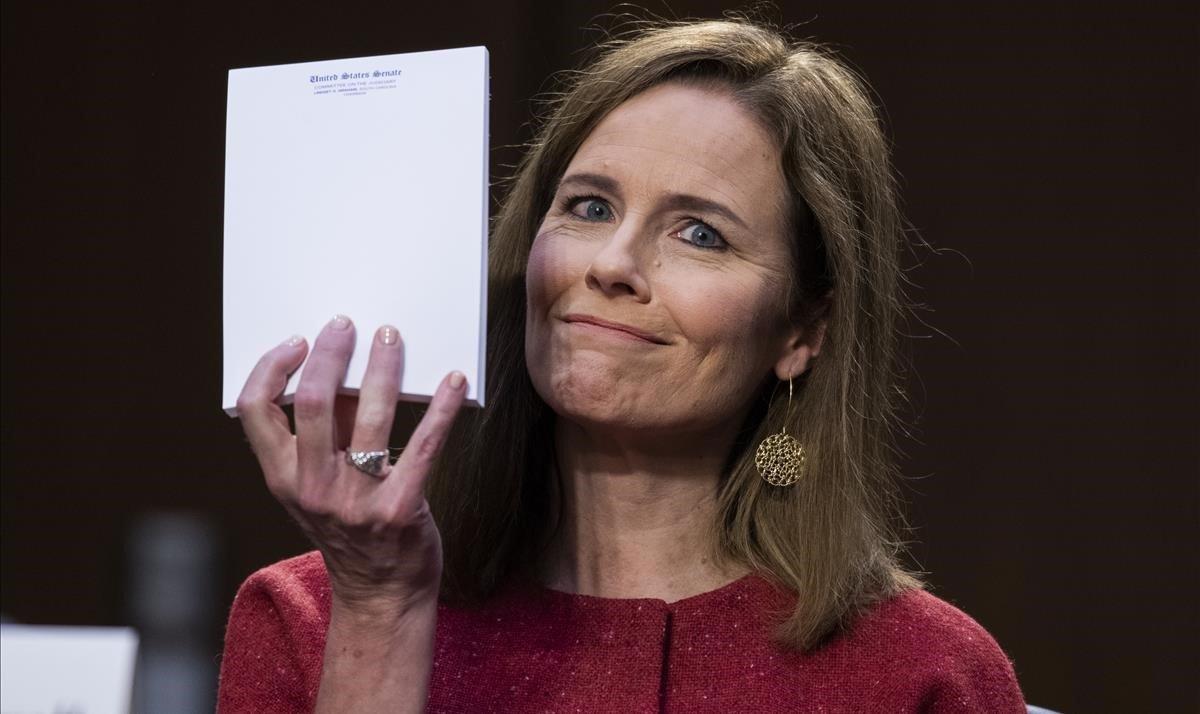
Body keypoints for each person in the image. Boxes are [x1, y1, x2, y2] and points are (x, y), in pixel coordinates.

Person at [218, 18, 1026, 713]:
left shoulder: (926, 674)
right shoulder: (310, 621)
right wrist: (381, 611)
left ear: (802, 331)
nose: (611, 262)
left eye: (699, 233)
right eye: (589, 206)